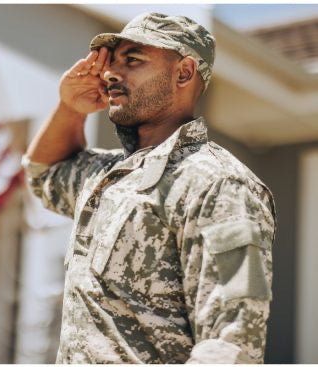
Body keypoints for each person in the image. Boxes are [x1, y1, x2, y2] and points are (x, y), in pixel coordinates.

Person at [22, 12, 276, 364]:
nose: (110, 72)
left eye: (133, 60)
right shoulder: (108, 174)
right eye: (111, 61)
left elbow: (232, 341)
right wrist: (70, 108)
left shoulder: (220, 185)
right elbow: (44, 174)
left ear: (184, 72)